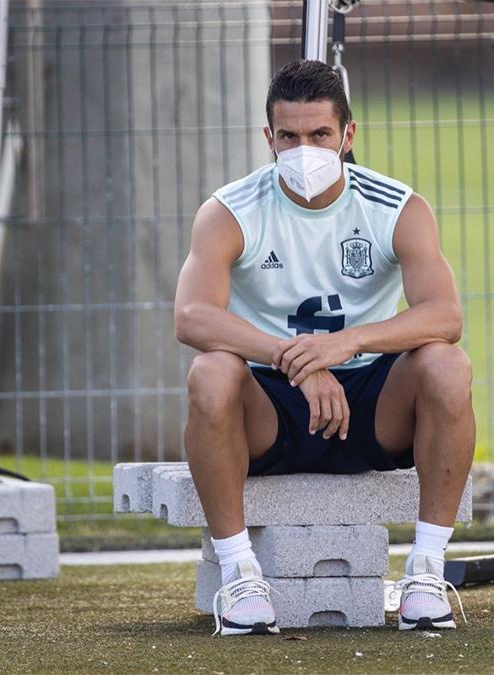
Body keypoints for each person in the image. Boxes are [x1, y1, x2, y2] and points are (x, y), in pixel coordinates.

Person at [173, 59, 475, 635]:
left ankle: (426, 571)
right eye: (288, 136)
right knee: (210, 373)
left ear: (348, 135)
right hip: (270, 403)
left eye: (319, 134)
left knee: (446, 364)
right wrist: (297, 359)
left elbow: (446, 315)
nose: (302, 149)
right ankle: (240, 576)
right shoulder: (230, 209)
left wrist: (345, 344)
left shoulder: (397, 207)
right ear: (268, 137)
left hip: (369, 401)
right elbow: (191, 317)